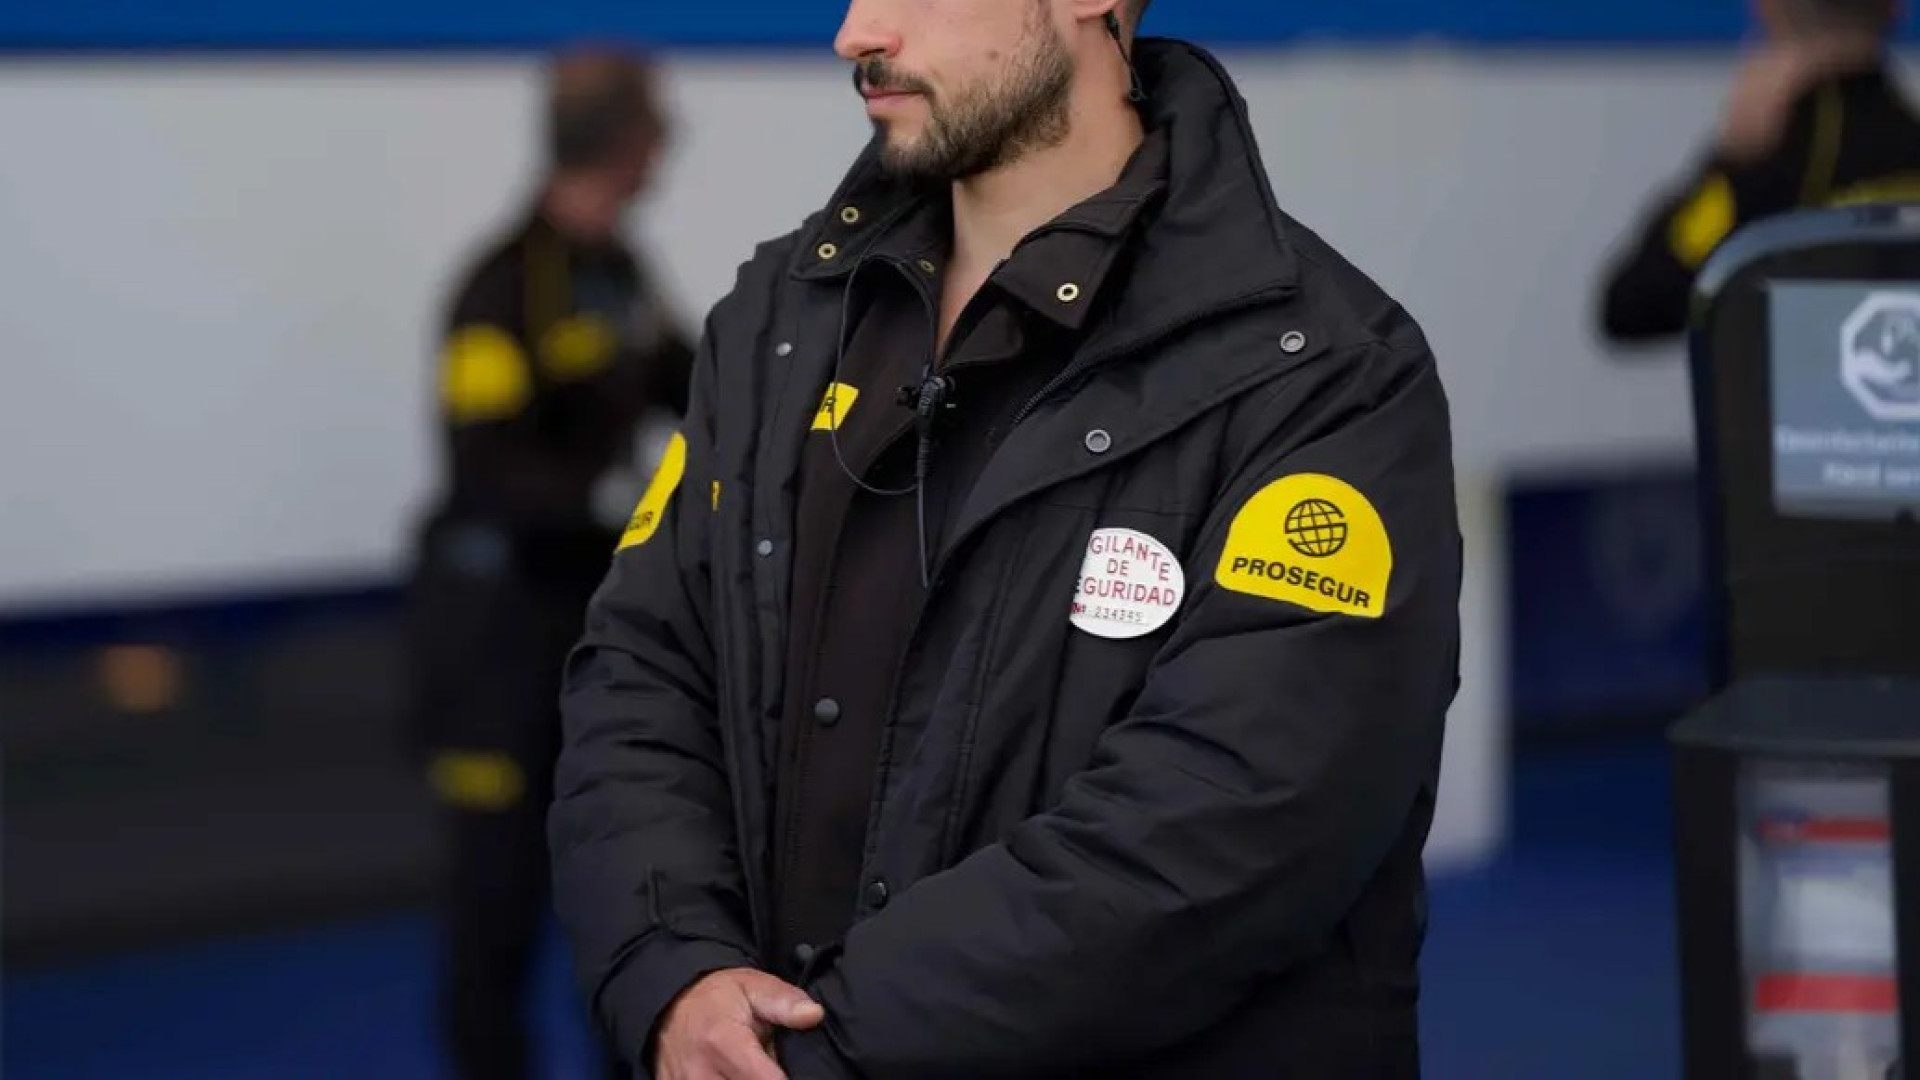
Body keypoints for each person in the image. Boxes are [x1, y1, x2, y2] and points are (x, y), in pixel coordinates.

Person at [549, 2, 1462, 1077]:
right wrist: (675, 975)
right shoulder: (775, 321)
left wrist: (822, 1053)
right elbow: (643, 673)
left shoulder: (1323, 377)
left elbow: (1232, 827)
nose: (856, 32)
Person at [405, 44, 695, 1080]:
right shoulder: (498, 288)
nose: (669, 147)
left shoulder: (619, 274)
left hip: (590, 629)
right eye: (657, 127)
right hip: (492, 647)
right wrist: (615, 500)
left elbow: (698, 384)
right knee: (496, 900)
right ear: (627, 141)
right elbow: (480, 467)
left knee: (613, 881)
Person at [1598, 0, 1920, 344]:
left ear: (1767, 8)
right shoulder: (1903, 139)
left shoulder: (1765, 161)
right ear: (1896, 8)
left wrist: (1732, 164)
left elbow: (1635, 304)